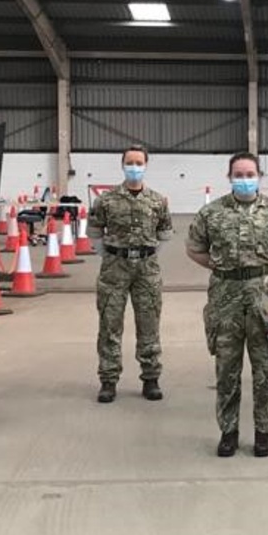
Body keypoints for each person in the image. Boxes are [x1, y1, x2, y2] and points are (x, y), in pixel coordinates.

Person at [187, 153, 268, 458]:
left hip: (266, 297)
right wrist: (221, 267)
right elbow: (193, 248)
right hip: (225, 299)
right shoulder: (212, 213)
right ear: (229, 176)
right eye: (239, 173)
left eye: (250, 173)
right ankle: (228, 432)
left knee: (265, 370)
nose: (244, 178)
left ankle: (264, 431)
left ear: (259, 175)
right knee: (227, 370)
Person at [89, 145, 173, 403]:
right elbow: (94, 233)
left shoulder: (158, 200)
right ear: (122, 165)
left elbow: (164, 234)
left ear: (146, 165)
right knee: (110, 323)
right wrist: (113, 254)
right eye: (130, 162)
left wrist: (144, 253)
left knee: (149, 323)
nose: (134, 166)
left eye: (139, 162)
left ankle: (150, 378)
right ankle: (108, 379)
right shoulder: (106, 200)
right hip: (114, 267)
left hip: (147, 269)